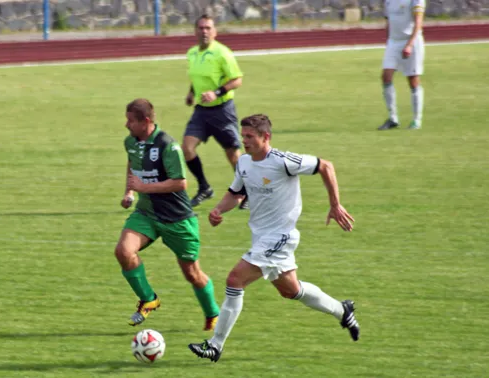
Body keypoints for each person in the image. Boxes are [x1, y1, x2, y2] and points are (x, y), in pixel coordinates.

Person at [188, 114, 360, 362]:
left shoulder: (283, 161)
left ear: (265, 137)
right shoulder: (244, 162)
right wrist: (218, 210)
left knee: (235, 279)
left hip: (280, 237)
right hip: (261, 238)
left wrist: (335, 205)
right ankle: (341, 310)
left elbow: (326, 166)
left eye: (250, 136)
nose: (244, 141)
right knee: (291, 290)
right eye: (242, 135)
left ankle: (215, 345)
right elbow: (236, 193)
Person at [115, 98, 220, 331]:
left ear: (146, 121)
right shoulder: (130, 142)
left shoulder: (167, 146)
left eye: (131, 120)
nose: (126, 125)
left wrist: (143, 187)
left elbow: (180, 184)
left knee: (192, 274)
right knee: (123, 251)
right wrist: (129, 191)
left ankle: (213, 313)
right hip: (147, 214)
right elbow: (132, 163)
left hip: (177, 219)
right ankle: (148, 299)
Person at [183, 14, 248, 209]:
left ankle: (248, 191)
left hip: (222, 111)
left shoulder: (222, 53)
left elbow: (237, 80)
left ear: (214, 31)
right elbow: (198, 77)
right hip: (201, 111)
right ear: (195, 31)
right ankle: (204, 187)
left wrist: (216, 93)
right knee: (187, 148)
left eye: (208, 28)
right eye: (201, 28)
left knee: (233, 154)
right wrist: (191, 93)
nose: (204, 31)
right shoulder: (192, 53)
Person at [378, 0, 425, 130]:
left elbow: (418, 23)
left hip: (411, 41)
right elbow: (388, 22)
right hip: (393, 42)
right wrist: (388, 41)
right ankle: (393, 118)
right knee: (386, 77)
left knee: (413, 80)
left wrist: (409, 45)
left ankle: (416, 120)